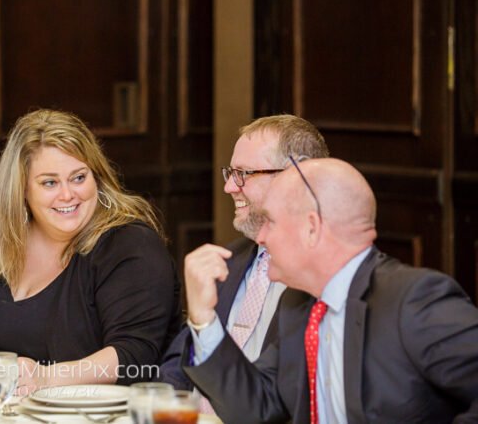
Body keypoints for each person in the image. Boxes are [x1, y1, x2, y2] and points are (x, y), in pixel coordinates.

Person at [0, 109, 182, 393]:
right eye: (50, 182)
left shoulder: (130, 246)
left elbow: (135, 358)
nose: (67, 195)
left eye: (78, 177)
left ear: (96, 176)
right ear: (22, 189)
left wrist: (45, 377)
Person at [182, 158, 478, 423]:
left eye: (269, 221)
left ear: (312, 228)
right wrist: (204, 319)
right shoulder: (299, 303)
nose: (260, 237)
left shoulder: (413, 299)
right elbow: (255, 405)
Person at [158, 115, 328, 404]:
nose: (229, 188)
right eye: (230, 173)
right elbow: (177, 365)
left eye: (244, 174)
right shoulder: (227, 261)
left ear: (293, 175)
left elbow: (279, 397)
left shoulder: (319, 278)